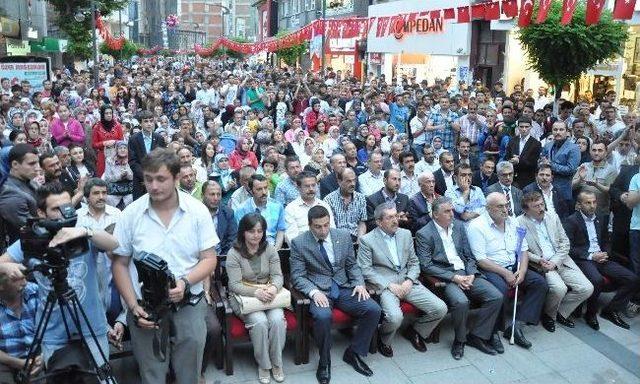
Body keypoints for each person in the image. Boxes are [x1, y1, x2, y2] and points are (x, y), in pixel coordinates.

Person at [111, 148, 218, 384]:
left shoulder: (197, 211)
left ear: (176, 178)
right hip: (145, 307)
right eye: (148, 179)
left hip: (188, 302)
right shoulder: (131, 214)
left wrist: (185, 282)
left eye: (161, 179)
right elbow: (119, 263)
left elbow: (209, 259)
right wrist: (131, 305)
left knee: (189, 372)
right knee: (151, 373)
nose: (153, 186)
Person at [0, 181, 118, 366]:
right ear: (41, 213)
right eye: (56, 209)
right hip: (52, 331)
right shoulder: (33, 237)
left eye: (67, 207)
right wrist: (6, 267)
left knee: (100, 378)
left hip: (92, 326)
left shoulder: (83, 228)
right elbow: (2, 261)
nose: (64, 213)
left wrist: (84, 232)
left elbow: (113, 244)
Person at [289, 206, 382, 384]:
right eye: (318, 227)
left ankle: (354, 352)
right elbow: (297, 276)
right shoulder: (299, 243)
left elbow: (352, 265)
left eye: (326, 225)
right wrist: (313, 292)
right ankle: (324, 362)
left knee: (373, 309)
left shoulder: (342, 236)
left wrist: (359, 283)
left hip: (344, 286)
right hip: (319, 290)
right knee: (323, 316)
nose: (323, 230)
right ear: (309, 225)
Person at [417, 196, 504, 359]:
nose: (452, 214)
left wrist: (471, 273)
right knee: (461, 302)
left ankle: (477, 336)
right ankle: (460, 340)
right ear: (435, 215)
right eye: (447, 211)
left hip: (467, 273)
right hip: (447, 277)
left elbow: (469, 256)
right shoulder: (424, 234)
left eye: (452, 210)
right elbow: (426, 265)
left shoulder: (459, 226)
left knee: (496, 296)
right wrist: (454, 278)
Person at [358, 203, 447, 357]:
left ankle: (415, 331)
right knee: (395, 317)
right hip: (386, 285)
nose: (395, 220)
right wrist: (389, 285)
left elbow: (414, 262)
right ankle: (384, 339)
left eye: (396, 216)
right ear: (379, 222)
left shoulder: (405, 234)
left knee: (440, 308)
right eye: (390, 217)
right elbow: (365, 269)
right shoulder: (367, 240)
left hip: (407, 282)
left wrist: (410, 280)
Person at [467, 192, 549, 349]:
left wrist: (523, 271)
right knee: (501, 290)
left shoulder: (512, 222)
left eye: (506, 205)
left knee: (540, 283)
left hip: (514, 265)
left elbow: (523, 250)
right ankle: (494, 331)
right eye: (500, 206)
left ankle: (516, 326)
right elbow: (481, 260)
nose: (505, 209)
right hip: (491, 268)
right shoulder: (476, 226)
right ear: (488, 208)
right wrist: (505, 273)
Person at [562, 191, 640, 330]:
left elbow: (606, 240)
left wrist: (605, 252)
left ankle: (610, 310)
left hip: (602, 258)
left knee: (632, 278)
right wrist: (591, 256)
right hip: (584, 259)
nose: (592, 206)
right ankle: (590, 314)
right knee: (597, 280)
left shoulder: (601, 218)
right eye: (588, 203)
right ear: (579, 205)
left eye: (594, 202)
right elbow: (568, 248)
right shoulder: (571, 221)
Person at [517, 191, 593, 332]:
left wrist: (555, 261)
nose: (541, 208)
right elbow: (522, 250)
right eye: (536, 206)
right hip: (541, 264)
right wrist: (539, 260)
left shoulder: (553, 216)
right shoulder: (519, 223)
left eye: (542, 204)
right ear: (526, 210)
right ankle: (549, 316)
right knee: (559, 288)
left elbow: (565, 242)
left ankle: (560, 312)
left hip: (561, 260)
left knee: (587, 288)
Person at [227, 213, 287, 384]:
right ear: (243, 232)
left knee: (276, 320)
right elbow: (234, 285)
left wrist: (274, 288)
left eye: (260, 231)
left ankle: (277, 362)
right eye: (252, 231)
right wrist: (256, 293)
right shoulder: (234, 253)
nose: (256, 235)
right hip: (245, 298)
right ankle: (264, 364)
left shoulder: (269, 249)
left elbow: (277, 276)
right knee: (260, 322)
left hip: (269, 294)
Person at [0, 271, 42, 383]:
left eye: (24, 277)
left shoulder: (35, 291)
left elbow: (54, 329)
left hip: (38, 357)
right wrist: (18, 363)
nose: (25, 283)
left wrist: (44, 356)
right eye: (16, 279)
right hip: (5, 361)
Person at [0, 144, 39, 244]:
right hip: (23, 250)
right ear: (15, 164)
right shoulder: (8, 192)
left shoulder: (31, 182)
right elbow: (33, 229)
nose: (37, 168)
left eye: (37, 163)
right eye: (32, 164)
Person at [235, 174, 286, 250]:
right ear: (251, 191)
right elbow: (241, 236)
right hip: (250, 250)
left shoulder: (277, 206)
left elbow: (281, 231)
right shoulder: (241, 210)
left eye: (265, 188)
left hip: (273, 248)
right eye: (259, 189)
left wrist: (276, 250)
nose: (264, 192)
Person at [540, 121, 580, 211]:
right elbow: (542, 162)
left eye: (561, 129)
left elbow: (570, 169)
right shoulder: (548, 145)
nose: (558, 132)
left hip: (563, 190)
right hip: (546, 188)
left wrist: (550, 165)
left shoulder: (574, 148)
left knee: (563, 220)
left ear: (566, 131)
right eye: (555, 129)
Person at [284, 172, 335, 243]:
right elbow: (292, 238)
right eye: (307, 186)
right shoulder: (291, 209)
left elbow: (332, 230)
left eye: (313, 185)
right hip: (303, 250)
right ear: (298, 188)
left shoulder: (324, 205)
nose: (311, 189)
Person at [571, 140, 617, 218]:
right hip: (581, 211)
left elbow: (611, 191)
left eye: (600, 150)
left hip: (600, 212)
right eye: (594, 150)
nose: (596, 153)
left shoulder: (611, 170)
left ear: (606, 153)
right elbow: (571, 186)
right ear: (590, 152)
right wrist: (580, 179)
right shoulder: (584, 166)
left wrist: (596, 184)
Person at [128, 110, 167, 199]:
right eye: (146, 121)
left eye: (151, 121)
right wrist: (145, 177)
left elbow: (163, 159)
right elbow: (133, 161)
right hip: (140, 180)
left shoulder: (159, 138)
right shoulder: (133, 139)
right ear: (140, 123)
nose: (149, 124)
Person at [323, 168, 367, 241]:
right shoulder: (329, 200)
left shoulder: (361, 198)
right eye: (348, 181)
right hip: (337, 239)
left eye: (354, 180)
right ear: (339, 182)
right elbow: (330, 226)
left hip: (356, 238)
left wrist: (360, 239)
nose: (353, 184)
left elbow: (362, 222)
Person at [504, 116, 541, 189]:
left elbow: (533, 163)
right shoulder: (512, 141)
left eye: (526, 127)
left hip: (527, 179)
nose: (524, 129)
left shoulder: (536, 144)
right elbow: (507, 157)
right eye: (521, 127)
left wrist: (518, 161)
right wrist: (510, 161)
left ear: (531, 127)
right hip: (512, 177)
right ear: (518, 127)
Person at [202, 180, 237, 255]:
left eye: (218, 194)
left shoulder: (228, 213)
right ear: (202, 196)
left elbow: (233, 240)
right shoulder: (194, 213)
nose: (216, 198)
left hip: (222, 258)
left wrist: (222, 261)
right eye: (212, 194)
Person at [91, 105, 124, 177]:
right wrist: (104, 143)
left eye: (110, 113)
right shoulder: (97, 127)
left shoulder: (117, 125)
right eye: (106, 113)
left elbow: (122, 141)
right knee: (103, 177)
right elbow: (94, 144)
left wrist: (114, 142)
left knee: (117, 176)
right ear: (102, 114)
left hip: (116, 154)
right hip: (103, 155)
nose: (109, 115)